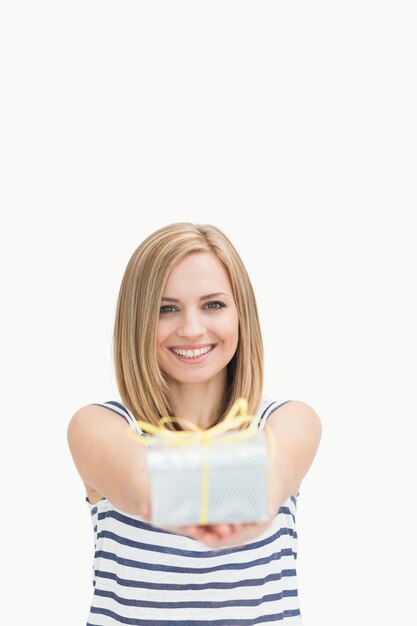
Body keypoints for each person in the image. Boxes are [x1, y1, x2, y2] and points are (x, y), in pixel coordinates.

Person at [67, 222, 322, 625]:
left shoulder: (289, 420)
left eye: (213, 305)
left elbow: (271, 478)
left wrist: (255, 498)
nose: (191, 329)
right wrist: (236, 502)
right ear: (138, 321)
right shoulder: (99, 425)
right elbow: (141, 482)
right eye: (166, 308)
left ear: (242, 315)